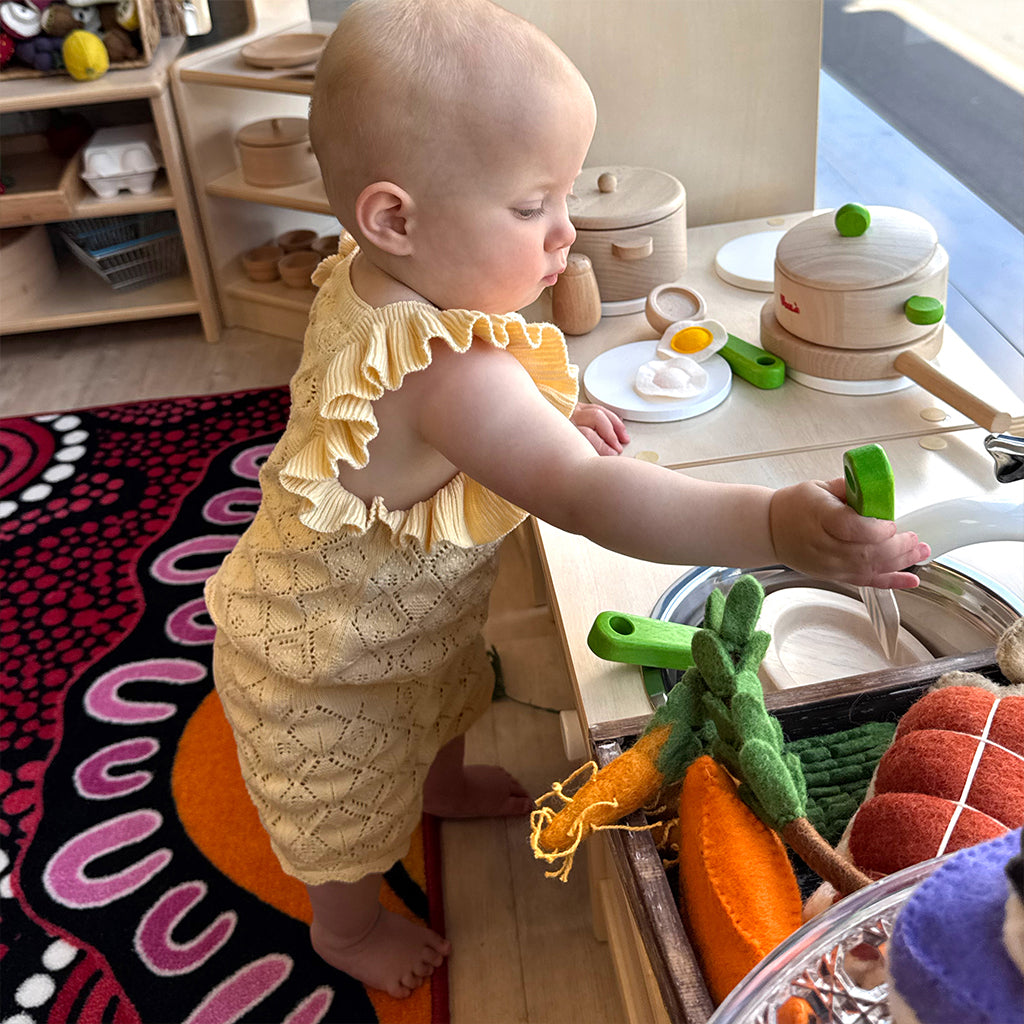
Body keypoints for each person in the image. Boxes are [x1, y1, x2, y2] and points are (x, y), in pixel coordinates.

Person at [204, 0, 930, 1000]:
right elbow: (585, 493)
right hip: (324, 653)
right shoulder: (447, 373)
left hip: (401, 613)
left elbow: (481, 394)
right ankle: (349, 924)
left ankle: (444, 782)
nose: (568, 229)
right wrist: (767, 522)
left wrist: (557, 401)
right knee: (340, 804)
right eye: (531, 205)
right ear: (395, 217)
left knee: (450, 686)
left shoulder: (380, 279)